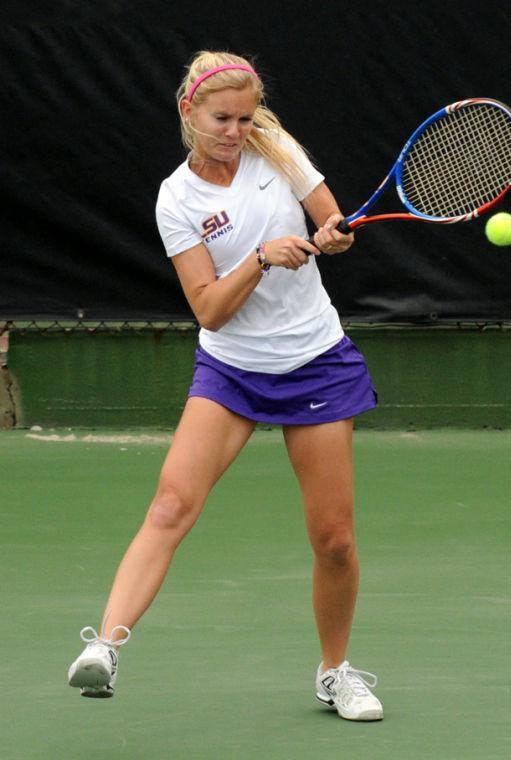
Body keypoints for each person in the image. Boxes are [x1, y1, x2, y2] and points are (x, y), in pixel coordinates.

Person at [67, 50, 383, 722]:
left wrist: (330, 236)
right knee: (170, 507)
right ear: (189, 111)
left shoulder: (277, 148)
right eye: (222, 119)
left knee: (334, 539)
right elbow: (209, 308)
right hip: (231, 367)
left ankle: (335, 673)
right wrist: (262, 257)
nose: (236, 130)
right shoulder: (176, 198)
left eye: (245, 118)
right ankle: (107, 648)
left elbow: (331, 220)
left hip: (314, 360)